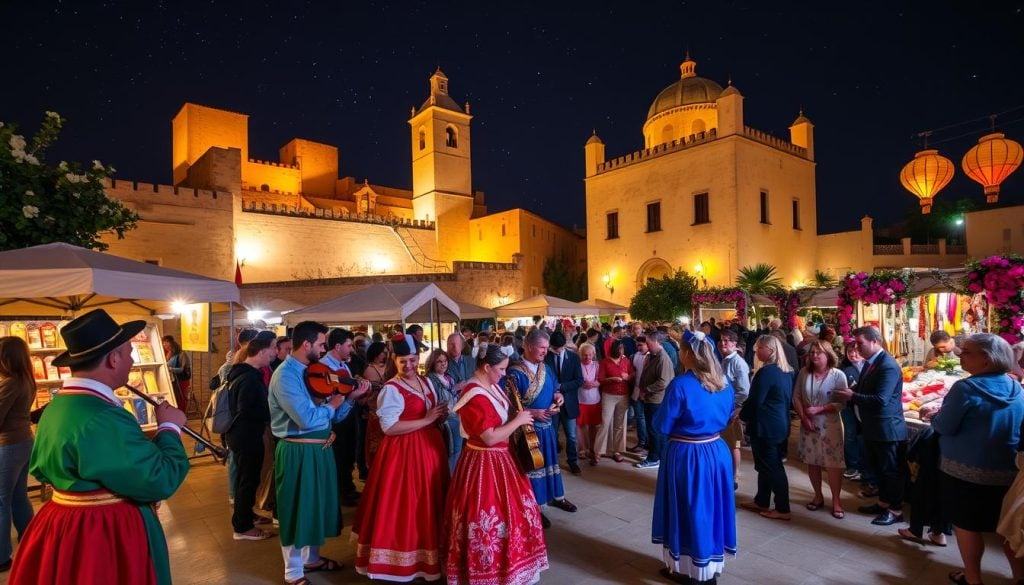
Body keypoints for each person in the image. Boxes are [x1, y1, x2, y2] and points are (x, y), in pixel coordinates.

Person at [8, 309, 189, 585]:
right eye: (128, 353)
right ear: (113, 359)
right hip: (103, 535)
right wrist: (169, 429)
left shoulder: (58, 405)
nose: (131, 360)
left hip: (62, 525)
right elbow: (158, 478)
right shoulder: (103, 417)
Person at [269, 320, 369, 585]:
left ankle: (312, 559)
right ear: (306, 344)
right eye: (322, 344)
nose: (325, 349)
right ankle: (293, 572)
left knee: (316, 507)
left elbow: (331, 417)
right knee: (296, 508)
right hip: (298, 452)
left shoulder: (312, 370)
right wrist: (334, 404)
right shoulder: (286, 376)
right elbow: (305, 418)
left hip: (320, 448)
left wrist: (348, 399)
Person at [445, 344, 548, 584]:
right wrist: (519, 420)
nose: (504, 374)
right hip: (484, 461)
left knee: (516, 513)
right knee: (488, 516)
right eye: (500, 369)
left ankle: (512, 566)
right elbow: (489, 436)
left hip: (502, 458)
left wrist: (521, 414)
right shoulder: (474, 394)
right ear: (486, 366)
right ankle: (489, 571)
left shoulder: (490, 386)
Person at [353, 333, 449, 582]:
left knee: (430, 503)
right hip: (404, 454)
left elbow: (430, 412)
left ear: (418, 358)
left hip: (430, 449)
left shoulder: (426, 382)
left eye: (412, 360)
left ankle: (429, 558)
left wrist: (439, 416)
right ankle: (404, 561)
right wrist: (426, 420)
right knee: (408, 506)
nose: (408, 365)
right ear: (394, 360)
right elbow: (389, 427)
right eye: (402, 361)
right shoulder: (391, 388)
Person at [931, 333, 1024, 585]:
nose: (960, 355)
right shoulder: (1016, 387)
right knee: (1006, 528)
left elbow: (945, 426)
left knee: (967, 526)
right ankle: (1019, 577)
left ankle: (973, 579)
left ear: (986, 358)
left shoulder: (966, 388)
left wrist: (932, 416)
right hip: (1007, 470)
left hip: (965, 471)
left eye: (967, 351)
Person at [653, 331, 737, 585]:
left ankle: (696, 572)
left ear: (688, 353)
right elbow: (728, 414)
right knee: (711, 508)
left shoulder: (681, 385)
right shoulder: (724, 383)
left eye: (681, 349)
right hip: (716, 450)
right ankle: (707, 566)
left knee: (691, 509)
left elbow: (662, 425)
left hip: (688, 454)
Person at [833, 326, 907, 526]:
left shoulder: (888, 366)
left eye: (860, 343)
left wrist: (852, 396)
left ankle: (895, 509)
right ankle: (883, 502)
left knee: (890, 470)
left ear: (875, 341)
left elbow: (881, 399)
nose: (856, 348)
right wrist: (851, 391)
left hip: (887, 428)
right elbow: (865, 387)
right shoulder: (871, 363)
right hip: (873, 426)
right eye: (855, 343)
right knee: (879, 468)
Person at [508, 329, 576, 529]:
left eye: (546, 348)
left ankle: (557, 496)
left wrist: (558, 397)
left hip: (548, 427)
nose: (545, 352)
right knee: (533, 467)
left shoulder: (546, 368)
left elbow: (554, 388)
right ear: (529, 347)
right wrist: (533, 413)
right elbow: (509, 406)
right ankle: (536, 506)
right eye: (542, 348)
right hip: (527, 430)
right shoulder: (514, 372)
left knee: (551, 463)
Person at [225, 330, 277, 541]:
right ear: (262, 351)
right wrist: (272, 412)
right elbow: (245, 409)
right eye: (273, 348)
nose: (275, 353)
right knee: (248, 480)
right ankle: (243, 527)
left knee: (246, 479)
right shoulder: (248, 377)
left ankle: (246, 515)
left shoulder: (242, 373)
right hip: (246, 434)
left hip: (242, 433)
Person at [739, 335, 794, 521]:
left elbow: (755, 400)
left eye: (758, 348)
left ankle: (783, 507)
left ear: (769, 350)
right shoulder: (785, 371)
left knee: (772, 466)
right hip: (778, 424)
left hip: (766, 425)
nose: (755, 352)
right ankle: (761, 499)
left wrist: (742, 416)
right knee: (765, 465)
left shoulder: (767, 372)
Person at [793, 339, 848, 519]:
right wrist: (804, 417)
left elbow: (842, 403)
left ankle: (836, 500)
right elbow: (797, 397)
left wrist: (820, 409)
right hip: (809, 423)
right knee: (813, 461)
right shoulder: (804, 373)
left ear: (828, 355)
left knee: (833, 464)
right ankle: (817, 496)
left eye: (819, 353)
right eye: (812, 353)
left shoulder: (838, 375)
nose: (815, 356)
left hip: (830, 424)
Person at [319, 328, 371, 507]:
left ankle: (347, 488)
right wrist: (352, 397)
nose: (352, 349)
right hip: (335, 418)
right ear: (338, 346)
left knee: (348, 455)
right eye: (349, 346)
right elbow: (332, 397)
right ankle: (340, 493)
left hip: (348, 415)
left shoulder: (343, 365)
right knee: (339, 458)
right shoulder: (324, 367)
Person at [0, 337, 36, 571]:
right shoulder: (26, 379)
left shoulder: (10, 383)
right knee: (18, 496)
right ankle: (31, 539)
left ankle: (2, 557)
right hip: (24, 441)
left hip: (8, 445)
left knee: (1, 500)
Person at [544, 331, 584, 475]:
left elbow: (579, 380)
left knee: (571, 436)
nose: (557, 351)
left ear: (564, 345)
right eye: (554, 348)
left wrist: (561, 387)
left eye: (559, 348)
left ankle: (572, 461)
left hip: (569, 402)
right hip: (551, 403)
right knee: (552, 435)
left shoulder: (573, 358)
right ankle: (553, 462)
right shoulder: (545, 358)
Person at [634, 330, 675, 469]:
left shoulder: (663, 358)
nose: (646, 344)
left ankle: (654, 458)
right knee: (653, 429)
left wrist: (646, 390)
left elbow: (664, 382)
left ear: (657, 342)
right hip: (649, 399)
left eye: (648, 342)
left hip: (657, 400)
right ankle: (655, 454)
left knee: (655, 429)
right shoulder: (652, 356)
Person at [719, 329, 750, 490]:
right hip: (725, 408)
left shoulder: (738, 363)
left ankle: (734, 475)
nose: (723, 344)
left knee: (734, 444)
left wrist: (734, 406)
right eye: (721, 340)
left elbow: (744, 390)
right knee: (727, 442)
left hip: (733, 410)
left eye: (726, 341)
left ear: (734, 344)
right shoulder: (725, 360)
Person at [596, 339, 634, 464]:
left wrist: (628, 377)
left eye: (622, 349)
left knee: (620, 424)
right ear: (613, 349)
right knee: (605, 422)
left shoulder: (626, 361)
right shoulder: (605, 362)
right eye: (619, 349)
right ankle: (598, 451)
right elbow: (601, 379)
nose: (621, 351)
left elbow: (632, 374)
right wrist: (611, 379)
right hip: (609, 395)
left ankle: (617, 450)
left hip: (624, 395)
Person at [426, 348, 461, 473]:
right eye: (439, 361)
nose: (443, 364)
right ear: (432, 363)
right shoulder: (429, 379)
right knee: (451, 451)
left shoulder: (449, 378)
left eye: (445, 361)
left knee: (457, 451)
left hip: (455, 415)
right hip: (444, 419)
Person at [361, 341, 390, 472]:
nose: (385, 354)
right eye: (382, 352)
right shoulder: (370, 369)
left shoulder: (388, 367)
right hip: (375, 411)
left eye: (386, 352)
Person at [575, 342, 601, 465]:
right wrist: (581, 383)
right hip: (580, 399)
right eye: (585, 355)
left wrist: (596, 383)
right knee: (580, 426)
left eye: (590, 355)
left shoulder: (597, 365)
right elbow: (574, 380)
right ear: (580, 355)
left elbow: (601, 379)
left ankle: (592, 449)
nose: (588, 357)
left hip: (594, 399)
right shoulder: (577, 365)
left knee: (593, 426)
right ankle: (582, 449)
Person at [629, 335, 649, 454]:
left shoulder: (652, 357)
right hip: (636, 391)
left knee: (648, 419)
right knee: (640, 418)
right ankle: (642, 442)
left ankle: (648, 443)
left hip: (648, 392)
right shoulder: (634, 356)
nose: (639, 347)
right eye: (638, 345)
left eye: (642, 345)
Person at [162, 334, 191, 411]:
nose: (164, 345)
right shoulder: (168, 353)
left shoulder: (182, 354)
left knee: (181, 398)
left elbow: (183, 369)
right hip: (173, 381)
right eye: (164, 343)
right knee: (175, 398)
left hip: (181, 381)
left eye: (166, 343)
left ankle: (182, 415)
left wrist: (170, 369)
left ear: (171, 343)